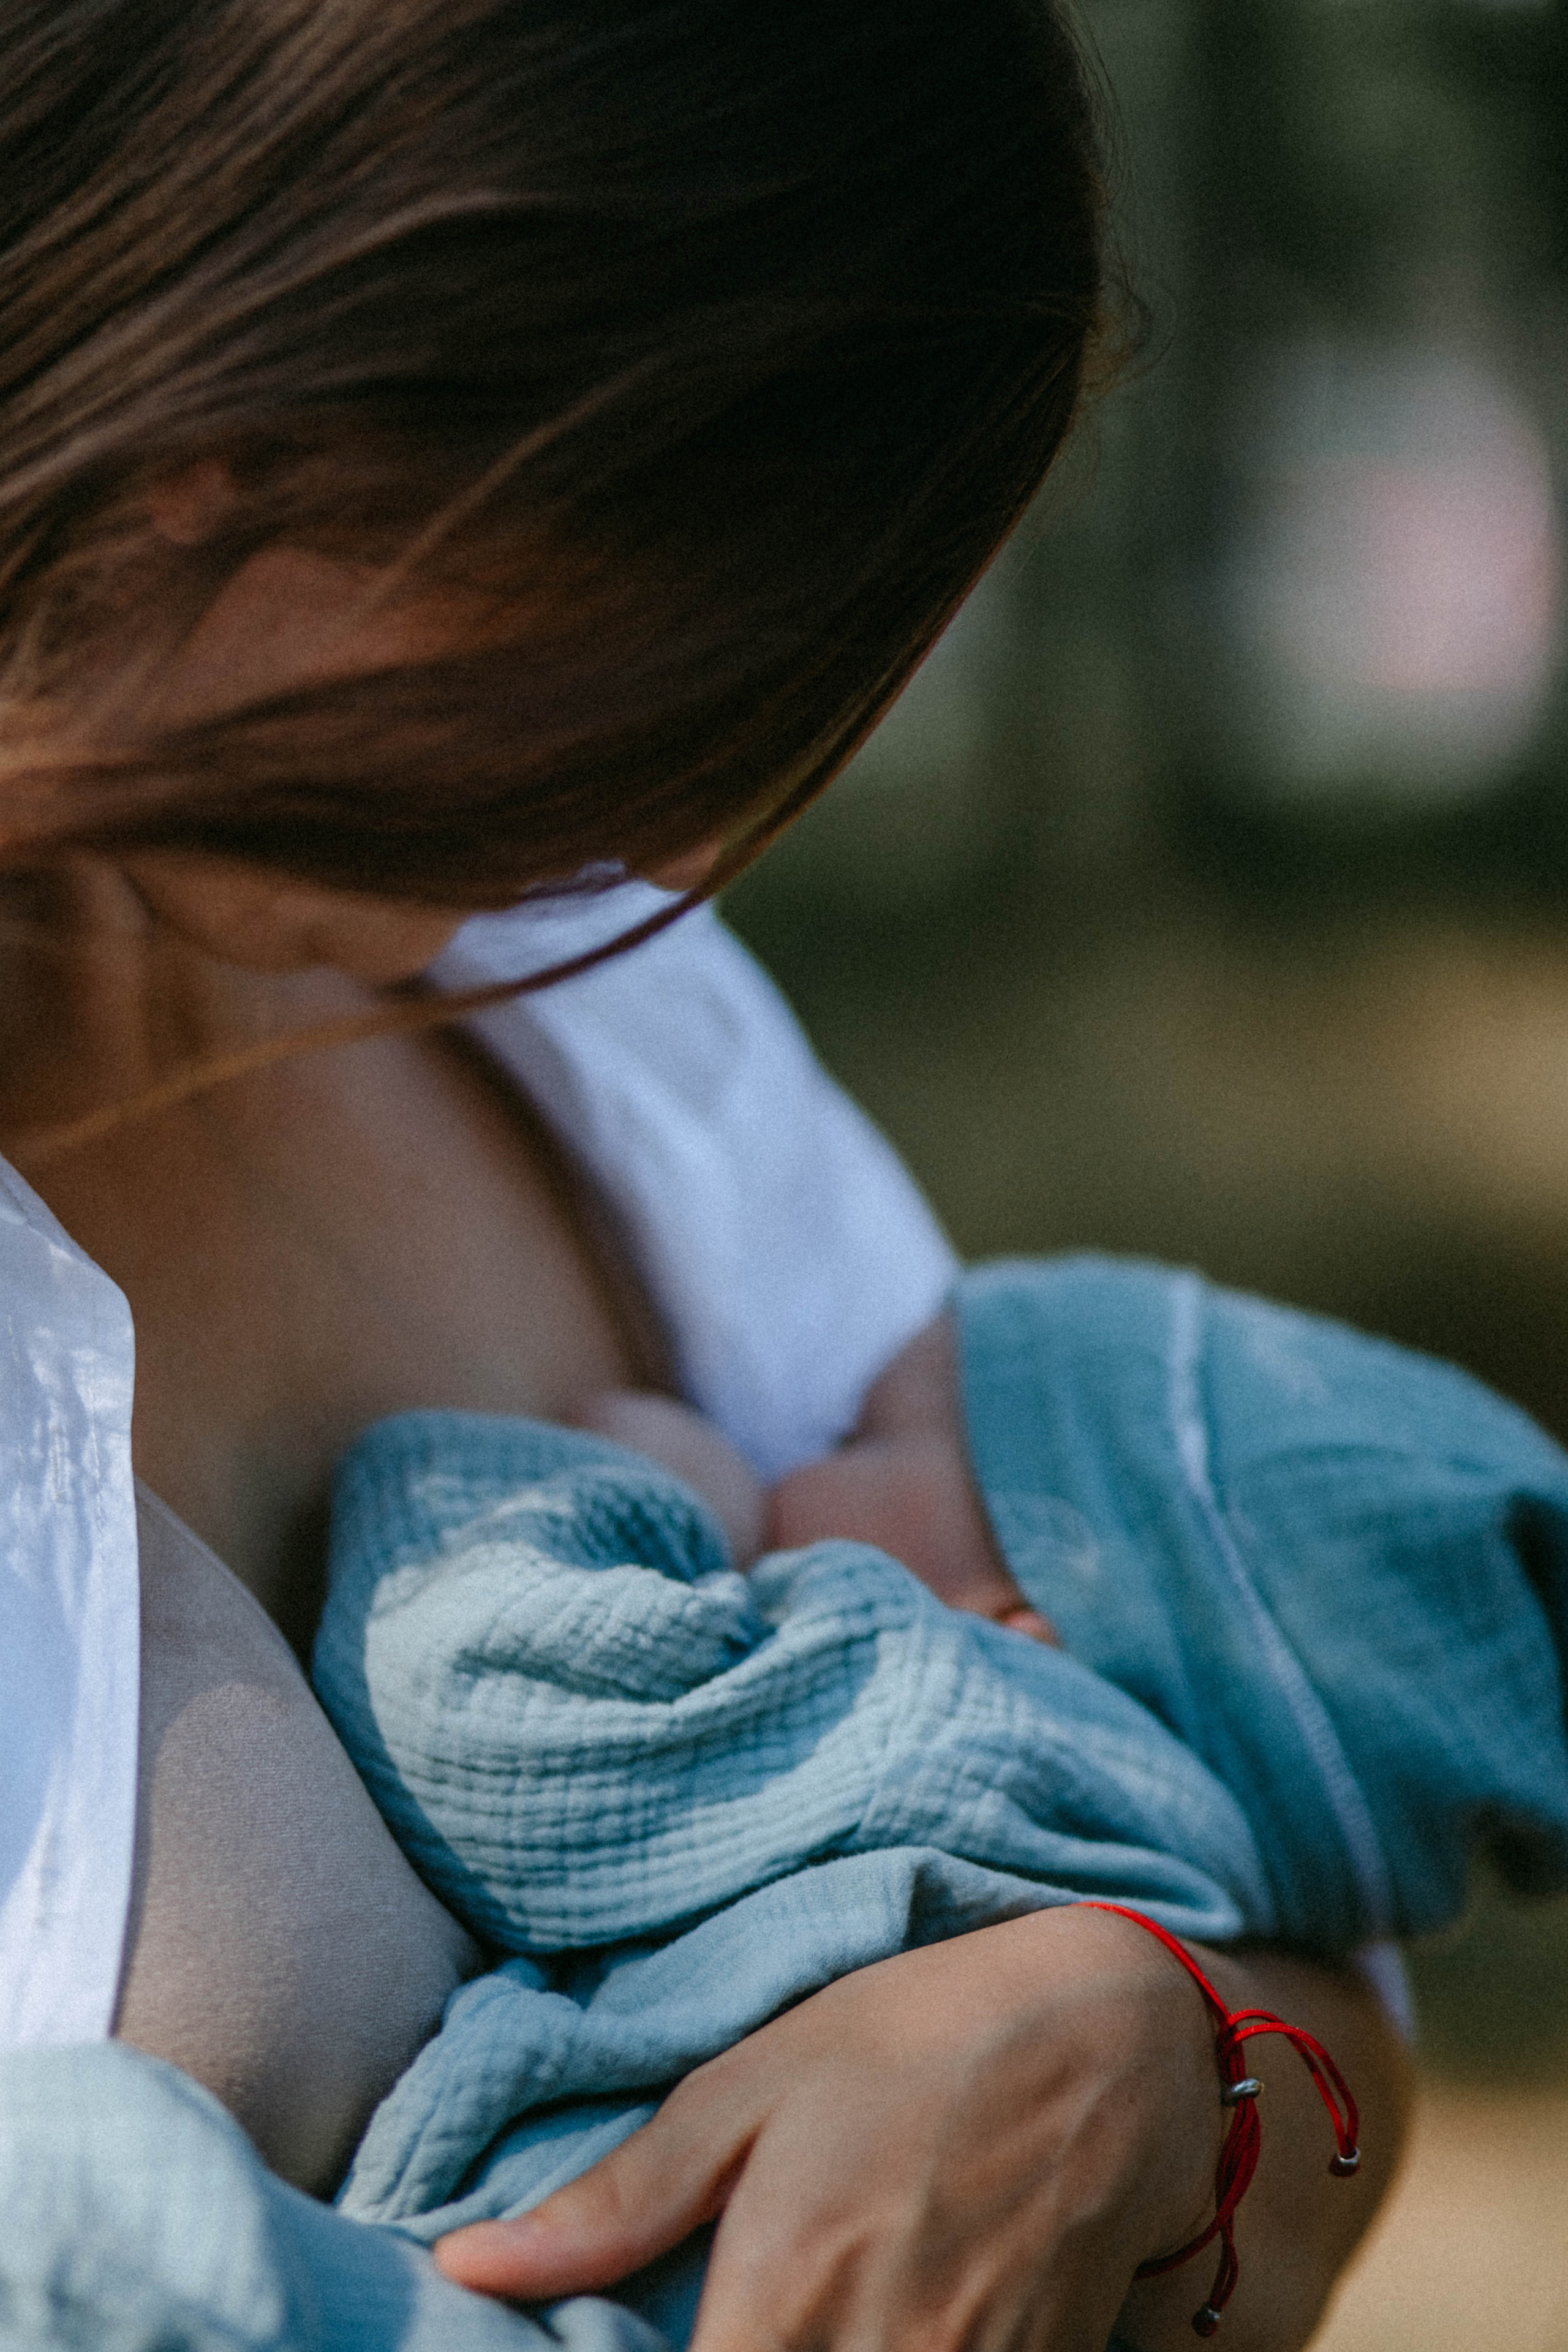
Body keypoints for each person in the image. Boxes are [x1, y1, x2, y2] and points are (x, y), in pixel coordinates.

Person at [0, 5, 1408, 2349]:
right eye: (636, 626)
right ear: (240, 420)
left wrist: (1137, 2048)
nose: (675, 825)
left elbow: (1330, 2026)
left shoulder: (598, 1018)